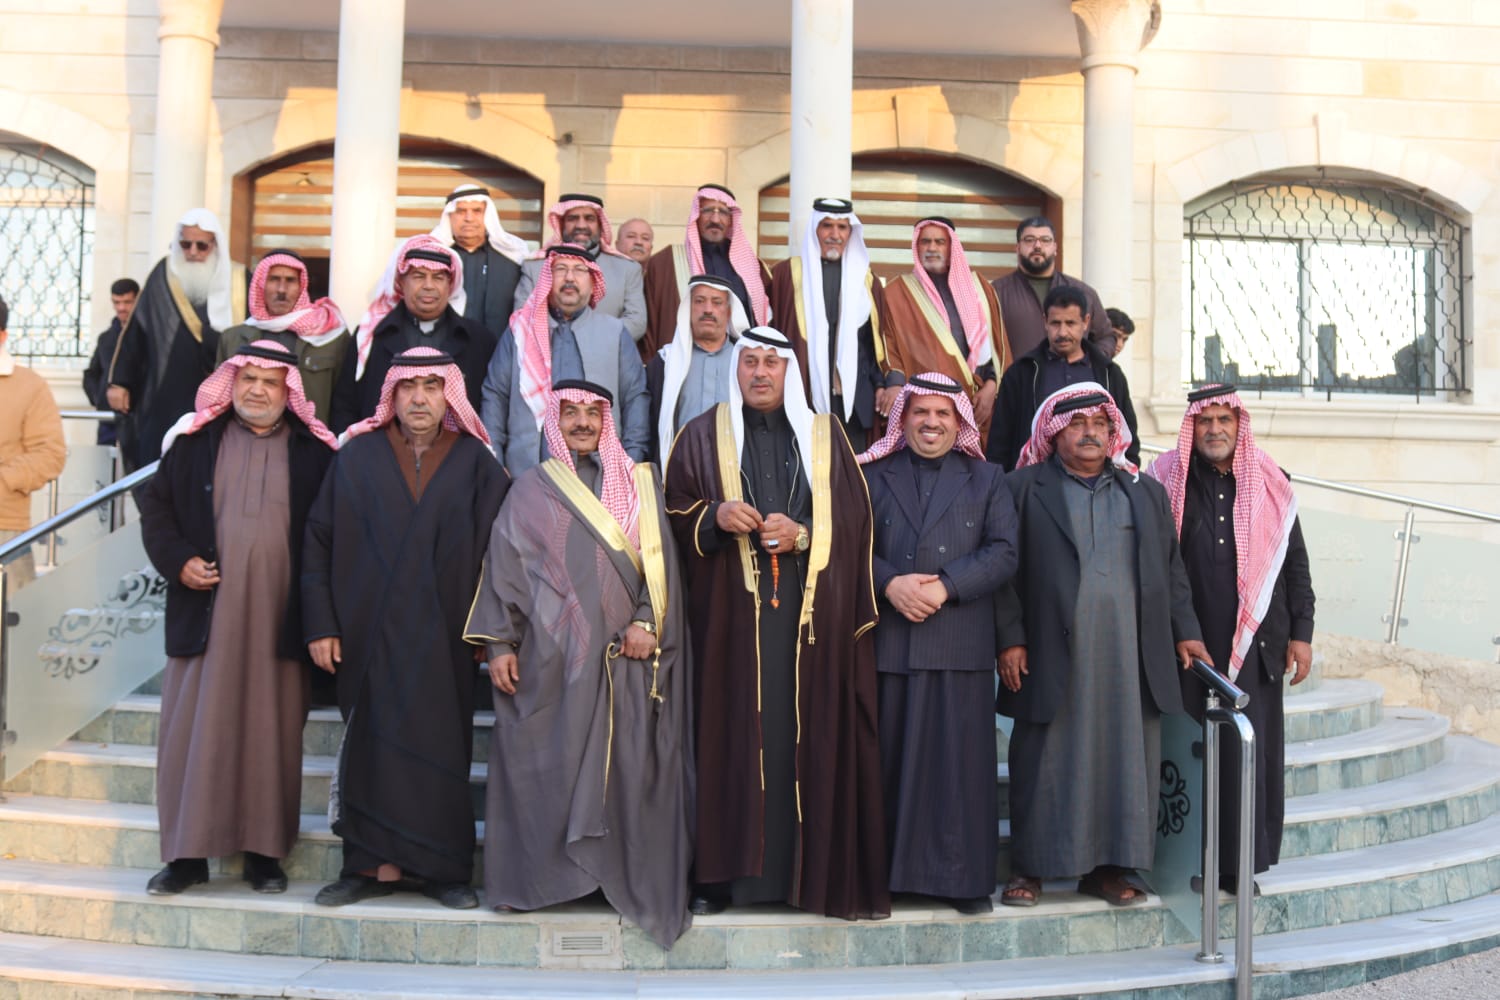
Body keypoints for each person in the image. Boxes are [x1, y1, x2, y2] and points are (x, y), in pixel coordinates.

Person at [664, 326, 888, 921]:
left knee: (801, 738)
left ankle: (807, 878)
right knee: (729, 739)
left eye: (772, 362)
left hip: (809, 624)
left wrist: (804, 535)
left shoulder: (826, 435)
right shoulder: (699, 435)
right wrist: (714, 517)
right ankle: (719, 877)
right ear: (735, 369)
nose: (760, 373)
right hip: (728, 624)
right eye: (750, 362)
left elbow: (855, 522)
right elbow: (671, 515)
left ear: (790, 370)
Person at [466, 379, 694, 948]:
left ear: (608, 422)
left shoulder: (639, 484)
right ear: (555, 422)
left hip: (625, 659)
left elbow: (663, 564)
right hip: (552, 659)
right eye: (570, 413)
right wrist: (499, 645)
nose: (583, 424)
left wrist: (647, 622)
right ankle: (543, 881)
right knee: (546, 759)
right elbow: (503, 567)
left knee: (624, 766)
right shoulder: (529, 489)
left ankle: (610, 878)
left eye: (594, 414)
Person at [303, 348, 509, 909]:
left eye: (432, 387)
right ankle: (364, 868)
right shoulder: (356, 456)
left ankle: (444, 871)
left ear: (449, 396)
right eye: (408, 388)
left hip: (445, 642)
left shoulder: (476, 463)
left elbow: (504, 555)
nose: (420, 398)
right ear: (390, 394)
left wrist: (492, 634)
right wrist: (321, 624)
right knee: (369, 755)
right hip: (365, 637)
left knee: (439, 757)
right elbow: (318, 541)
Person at [137, 342, 338, 896]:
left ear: (288, 391)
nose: (257, 390)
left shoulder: (316, 454)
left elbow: (332, 535)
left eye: (270, 382)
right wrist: (179, 560)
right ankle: (185, 857)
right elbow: (156, 510)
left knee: (272, 734)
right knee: (192, 732)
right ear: (231, 382)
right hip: (207, 617)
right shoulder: (194, 443)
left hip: (281, 620)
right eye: (248, 378)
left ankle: (264, 855)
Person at [995, 384, 1207, 909]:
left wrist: (1186, 630)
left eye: (1100, 424)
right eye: (1076, 424)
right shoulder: (1021, 489)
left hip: (1128, 655)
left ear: (1114, 432)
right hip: (1049, 651)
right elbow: (1003, 572)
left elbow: (1171, 570)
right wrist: (1011, 639)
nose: (1090, 433)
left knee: (1125, 758)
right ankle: (1031, 869)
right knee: (1043, 759)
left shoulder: (1145, 492)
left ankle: (1110, 869)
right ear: (1054, 433)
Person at [856, 373, 1018, 914]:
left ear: (959, 422)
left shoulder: (987, 478)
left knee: (958, 774)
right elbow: (849, 545)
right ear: (902, 419)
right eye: (920, 412)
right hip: (890, 645)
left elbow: (1004, 552)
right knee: (888, 769)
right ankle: (886, 880)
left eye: (943, 413)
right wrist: (889, 584)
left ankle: (962, 882)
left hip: (958, 644)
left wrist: (946, 586)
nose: (931, 422)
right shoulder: (871, 475)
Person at [1147, 383, 1315, 894]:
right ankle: (1190, 862)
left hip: (1257, 646)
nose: (1215, 430)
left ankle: (1240, 867)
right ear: (1192, 426)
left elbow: (1294, 564)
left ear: (1240, 426)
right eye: (1205, 421)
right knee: (1192, 753)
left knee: (1246, 755)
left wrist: (1302, 633)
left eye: (1225, 420)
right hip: (1188, 646)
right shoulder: (1165, 481)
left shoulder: (1271, 482)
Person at [482, 244, 650, 474]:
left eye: (579, 270)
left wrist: (631, 460)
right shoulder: (519, 332)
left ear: (593, 282)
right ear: (547, 279)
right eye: (560, 269)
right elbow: (495, 396)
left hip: (600, 474)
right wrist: (495, 462)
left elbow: (635, 398)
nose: (569, 278)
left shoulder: (615, 332)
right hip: (528, 471)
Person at [107, 208, 246, 471]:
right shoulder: (165, 274)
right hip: (170, 391)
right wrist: (120, 382)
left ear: (215, 245)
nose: (192, 252)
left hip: (225, 392)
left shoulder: (239, 280)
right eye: (185, 244)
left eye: (201, 246)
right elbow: (138, 329)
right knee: (164, 464)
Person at [331, 234, 495, 433]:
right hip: (381, 449)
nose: (428, 285)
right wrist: (355, 446)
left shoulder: (479, 340)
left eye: (438, 278)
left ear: (450, 284)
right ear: (401, 282)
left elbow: (491, 409)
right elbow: (345, 405)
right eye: (418, 276)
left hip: (456, 450)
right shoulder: (371, 336)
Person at [768, 198, 895, 448]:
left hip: (855, 405)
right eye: (827, 226)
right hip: (802, 395)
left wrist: (881, 385)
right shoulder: (786, 275)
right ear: (815, 229)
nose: (834, 235)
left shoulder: (867, 282)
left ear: (851, 233)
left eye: (842, 227)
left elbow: (874, 344)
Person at [879, 217, 1008, 444]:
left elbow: (997, 345)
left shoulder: (980, 288)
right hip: (926, 407)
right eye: (925, 242)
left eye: (940, 242)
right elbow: (889, 345)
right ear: (916, 246)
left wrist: (991, 387)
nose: (932, 248)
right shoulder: (896, 292)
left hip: (977, 403)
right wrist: (895, 383)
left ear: (952, 247)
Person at [986, 285, 1139, 472]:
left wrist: (1124, 481)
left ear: (1086, 322)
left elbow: (1128, 439)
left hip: (1098, 482)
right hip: (1033, 482)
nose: (1062, 332)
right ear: (1045, 322)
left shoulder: (1109, 374)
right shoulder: (1022, 373)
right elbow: (1000, 443)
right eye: (1055, 323)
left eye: (1070, 323)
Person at [641, 184, 771, 360]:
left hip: (740, 363)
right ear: (696, 216)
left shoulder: (753, 268)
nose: (715, 219)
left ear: (731, 219)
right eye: (708, 211)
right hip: (685, 362)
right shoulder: (666, 263)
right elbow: (649, 329)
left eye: (723, 212)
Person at [216, 251, 348, 421]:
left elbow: (343, 403)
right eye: (273, 279)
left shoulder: (330, 336)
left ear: (302, 286)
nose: (281, 289)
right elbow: (220, 398)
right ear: (260, 285)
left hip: (310, 435)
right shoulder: (232, 338)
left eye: (290, 281)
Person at [514, 193, 647, 344]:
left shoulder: (627, 269)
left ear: (600, 225)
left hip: (605, 354)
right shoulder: (534, 267)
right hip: (548, 354)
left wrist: (594, 341)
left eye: (589, 219)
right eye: (573, 218)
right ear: (561, 224)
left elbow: (636, 322)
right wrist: (563, 343)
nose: (581, 226)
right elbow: (522, 317)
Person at [646, 274, 751, 464]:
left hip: (735, 468)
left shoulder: (746, 363)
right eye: (700, 301)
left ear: (729, 312)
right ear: (688, 308)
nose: (708, 309)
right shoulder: (665, 363)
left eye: (717, 302)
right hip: (680, 468)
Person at [0, 295, 66, 589]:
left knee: (8, 615)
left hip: (4, 527)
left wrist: (4, 480)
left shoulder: (30, 386)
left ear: (2, 336)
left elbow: (50, 454)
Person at [992, 216, 1114, 360]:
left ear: (1055, 248)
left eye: (1045, 240)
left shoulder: (1084, 293)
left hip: (1071, 375)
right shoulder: (996, 293)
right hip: (1017, 375)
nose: (1037, 246)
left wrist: (1087, 364)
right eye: (1029, 240)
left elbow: (1106, 338)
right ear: (1018, 248)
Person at [432, 183, 530, 339]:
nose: (469, 218)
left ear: (488, 215)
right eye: (461, 211)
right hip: (444, 349)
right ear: (449, 216)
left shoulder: (514, 257)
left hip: (500, 350)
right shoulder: (434, 257)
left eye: (477, 211)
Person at [83, 277, 139, 445]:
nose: (121, 308)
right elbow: (92, 374)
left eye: (127, 302)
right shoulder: (106, 338)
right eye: (117, 302)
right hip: (108, 421)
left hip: (137, 420)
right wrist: (100, 399)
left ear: (137, 300)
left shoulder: (148, 336)